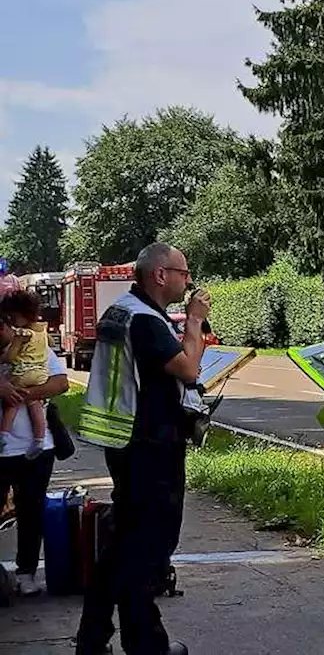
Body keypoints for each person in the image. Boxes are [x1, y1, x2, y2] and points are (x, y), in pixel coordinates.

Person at [74, 242, 210, 655]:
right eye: (183, 273)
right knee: (146, 547)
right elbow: (187, 368)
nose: (187, 281)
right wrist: (195, 321)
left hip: (127, 440)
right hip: (149, 445)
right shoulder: (146, 321)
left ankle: (94, 638)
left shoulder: (125, 311)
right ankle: (145, 642)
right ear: (159, 274)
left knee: (121, 545)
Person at [0, 300, 70, 600]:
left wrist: (25, 393)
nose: (8, 330)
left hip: (36, 449)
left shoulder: (36, 347)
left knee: (31, 512)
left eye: (7, 324)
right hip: (2, 450)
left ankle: (26, 573)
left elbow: (60, 383)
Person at [0, 290, 51, 459]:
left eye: (11, 318)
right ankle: (39, 439)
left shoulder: (22, 335)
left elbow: (11, 357)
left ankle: (3, 435)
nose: (11, 322)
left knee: (12, 403)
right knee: (34, 405)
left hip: (23, 373)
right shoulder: (42, 333)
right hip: (39, 374)